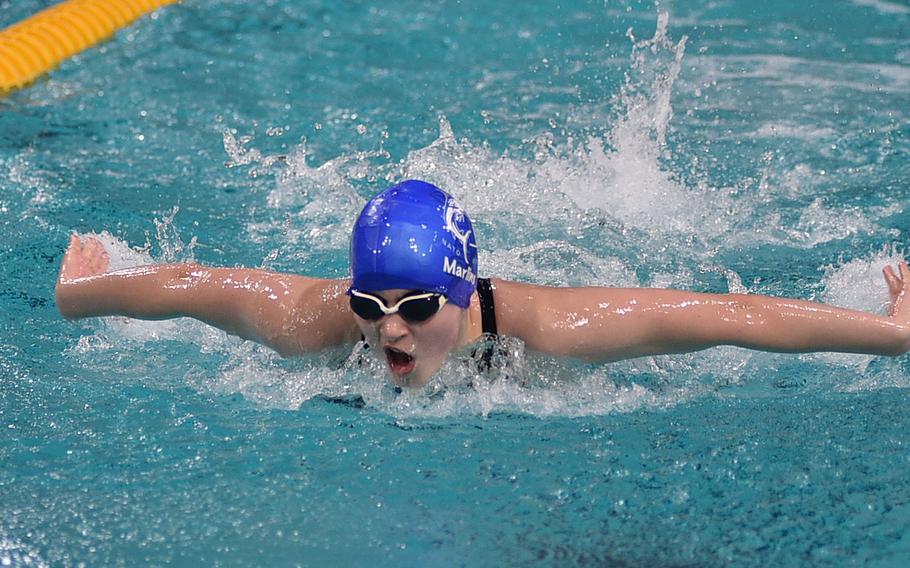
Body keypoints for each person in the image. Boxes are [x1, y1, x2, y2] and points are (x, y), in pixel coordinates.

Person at [56, 179, 910, 388]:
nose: (387, 330)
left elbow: (735, 316)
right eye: (371, 304)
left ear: (460, 296)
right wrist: (82, 291)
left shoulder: (559, 329)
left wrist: (893, 331)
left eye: (416, 306)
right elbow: (191, 286)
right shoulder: (314, 320)